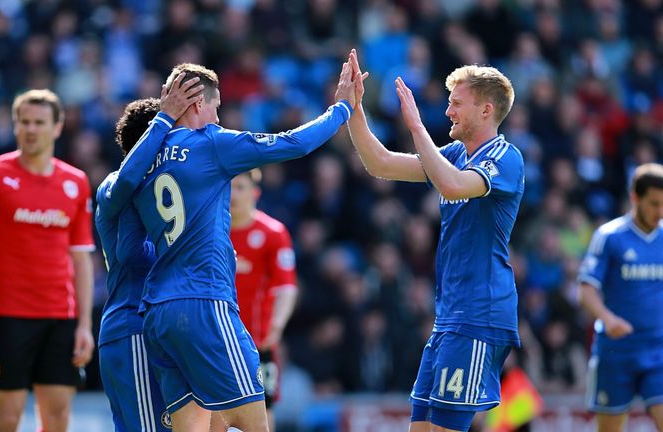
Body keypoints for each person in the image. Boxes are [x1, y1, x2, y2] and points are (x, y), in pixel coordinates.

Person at [132, 58, 357, 432]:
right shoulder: (212, 143)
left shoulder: (145, 157)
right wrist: (342, 108)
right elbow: (294, 143)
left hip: (156, 310)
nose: (219, 117)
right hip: (205, 302)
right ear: (196, 103)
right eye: (216, 107)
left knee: (195, 427)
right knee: (254, 420)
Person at [345, 50, 523, 432]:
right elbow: (380, 164)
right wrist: (354, 109)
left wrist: (415, 126)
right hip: (450, 317)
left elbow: (454, 185)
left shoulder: (506, 158)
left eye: (456, 103)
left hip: (479, 314)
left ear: (486, 110)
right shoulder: (456, 153)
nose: (448, 112)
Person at [0, 89, 96, 432]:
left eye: (39, 122)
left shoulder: (75, 182)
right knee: (7, 418)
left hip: (60, 317)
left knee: (58, 418)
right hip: (8, 316)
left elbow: (81, 261)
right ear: (15, 126)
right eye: (24, 122)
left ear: (58, 127)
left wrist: (83, 325)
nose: (31, 129)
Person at [95, 75, 202, 431]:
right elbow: (129, 254)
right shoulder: (117, 184)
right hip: (133, 326)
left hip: (145, 327)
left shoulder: (150, 189)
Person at [578, 163, 663, 432]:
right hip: (617, 352)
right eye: (654, 204)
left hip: (658, 350)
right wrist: (608, 319)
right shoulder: (610, 237)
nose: (660, 212)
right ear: (634, 197)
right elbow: (586, 290)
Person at [229, 168, 298, 431]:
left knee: (264, 411)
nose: (233, 194)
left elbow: (286, 286)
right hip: (217, 341)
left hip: (259, 343)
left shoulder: (273, 233)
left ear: (255, 193)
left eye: (241, 187)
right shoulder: (212, 232)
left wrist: (277, 326)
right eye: (229, 187)